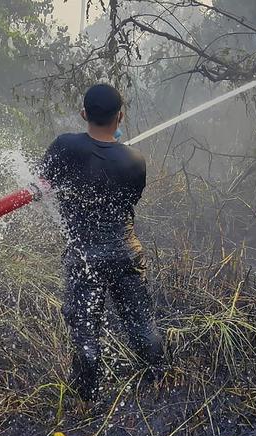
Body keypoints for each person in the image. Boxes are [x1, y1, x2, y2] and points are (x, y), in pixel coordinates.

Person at [42, 83, 165, 401]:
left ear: (84, 113)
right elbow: (130, 200)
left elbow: (42, 185)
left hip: (86, 258)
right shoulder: (135, 160)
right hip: (126, 252)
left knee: (85, 329)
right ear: (120, 116)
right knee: (141, 323)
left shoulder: (65, 146)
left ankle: (86, 397)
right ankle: (155, 384)